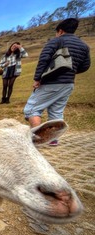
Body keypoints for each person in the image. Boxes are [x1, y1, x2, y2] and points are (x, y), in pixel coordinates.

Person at [23, 18, 90, 146]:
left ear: (60, 31)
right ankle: (52, 140)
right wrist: (71, 71)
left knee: (32, 109)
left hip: (51, 82)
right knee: (56, 111)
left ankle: (39, 139)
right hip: (68, 83)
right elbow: (85, 66)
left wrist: (37, 78)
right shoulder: (84, 46)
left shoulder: (56, 41)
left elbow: (43, 60)